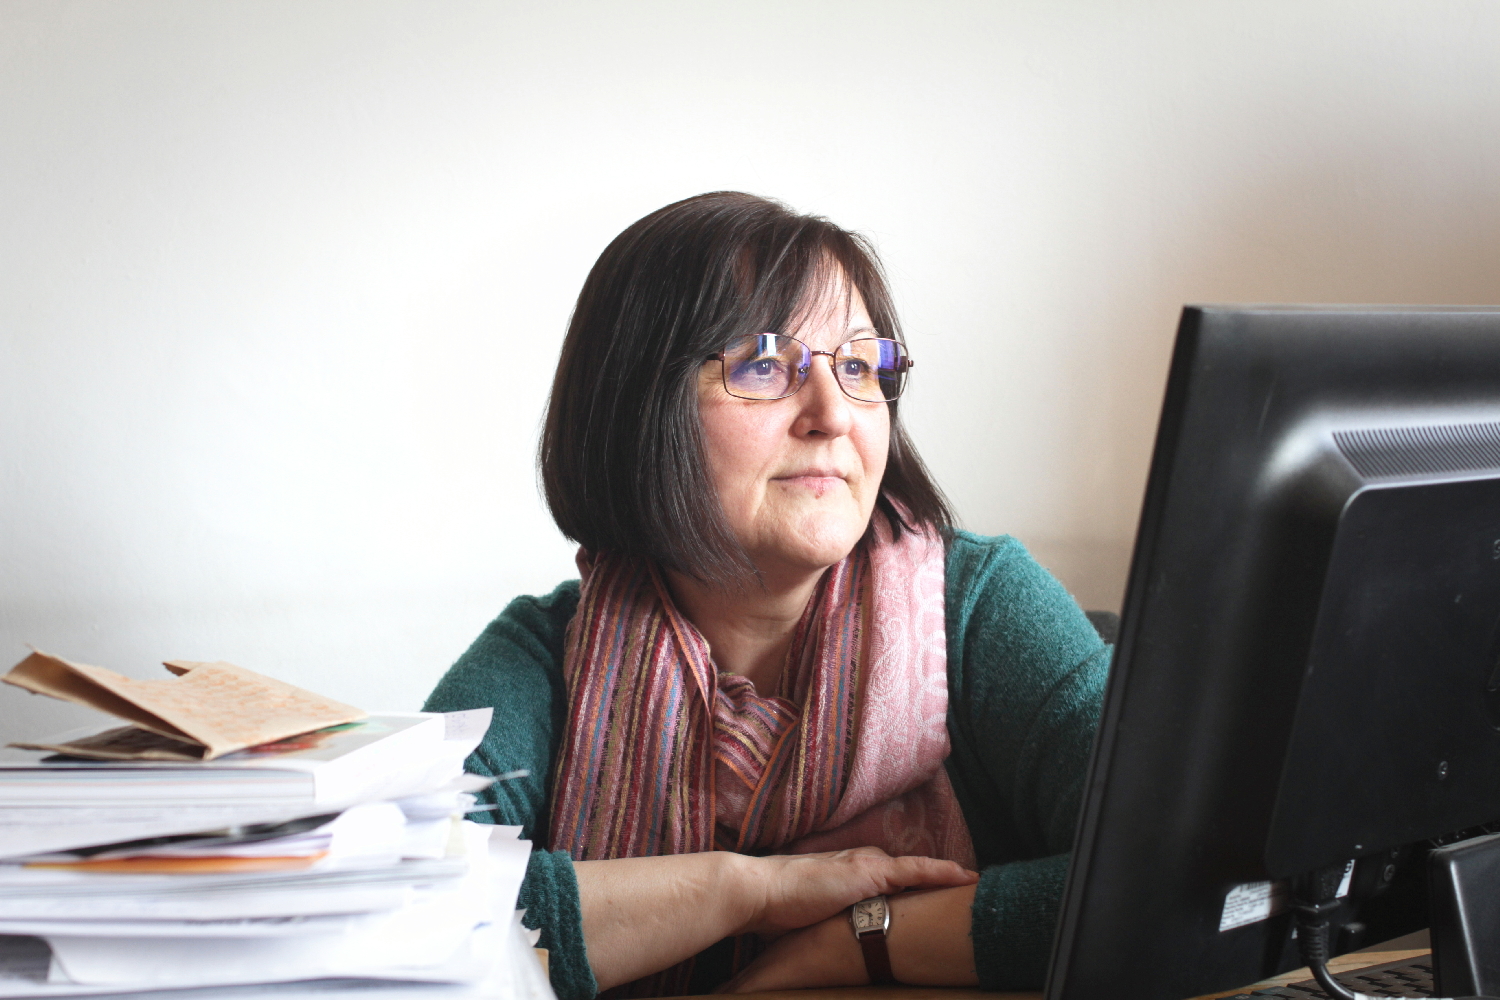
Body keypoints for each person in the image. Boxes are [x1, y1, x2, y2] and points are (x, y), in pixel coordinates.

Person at [423, 192, 1110, 999]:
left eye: (858, 366)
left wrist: (863, 942)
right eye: (763, 365)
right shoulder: (542, 659)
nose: (832, 414)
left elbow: (1190, 868)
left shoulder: (981, 605)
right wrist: (741, 891)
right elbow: (388, 912)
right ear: (639, 405)